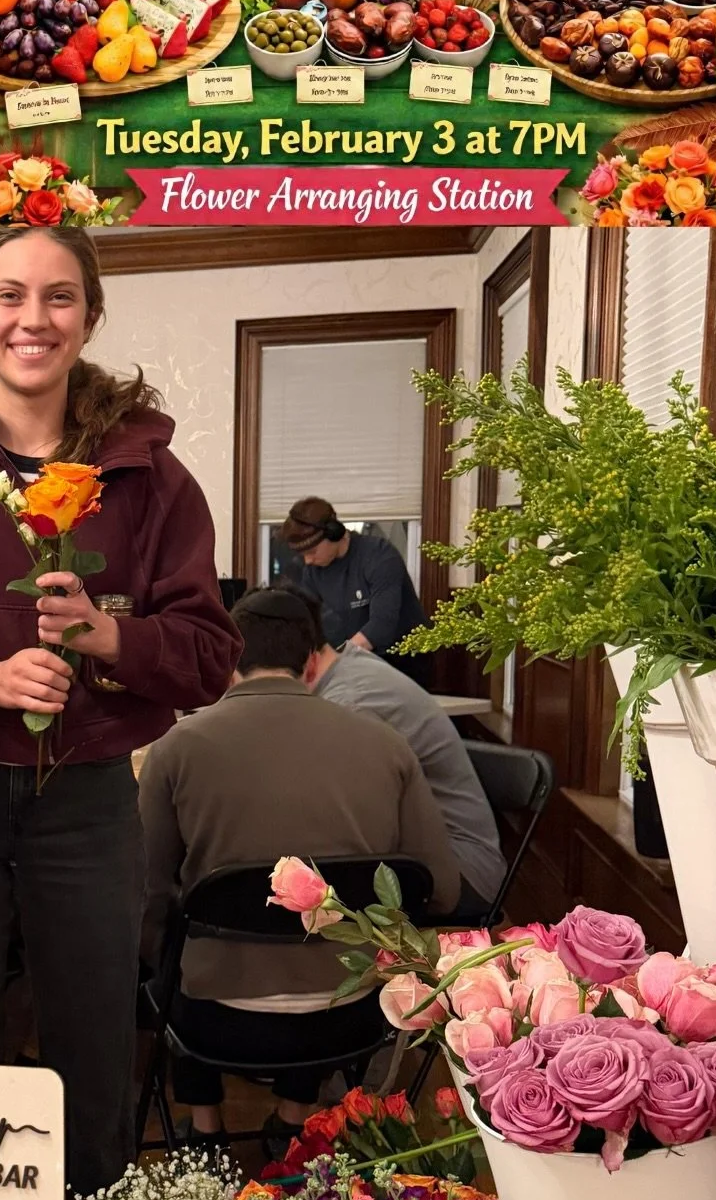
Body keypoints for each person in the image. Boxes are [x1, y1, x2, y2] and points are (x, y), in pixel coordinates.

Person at [0, 222, 239, 1200]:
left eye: (58, 297)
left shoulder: (155, 479)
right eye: (8, 295)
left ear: (90, 313)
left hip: (85, 803)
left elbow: (209, 657)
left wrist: (110, 638)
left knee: (90, 1031)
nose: (32, 318)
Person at [137, 586, 459, 1156]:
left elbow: (149, 897)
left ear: (228, 661)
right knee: (323, 936)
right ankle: (293, 1119)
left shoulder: (174, 749)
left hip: (214, 1016)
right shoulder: (386, 746)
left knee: (171, 945)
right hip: (350, 1018)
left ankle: (205, 1129)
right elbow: (442, 889)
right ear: (312, 662)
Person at [289, 585, 506, 920]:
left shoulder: (349, 704)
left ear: (306, 663)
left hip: (459, 872)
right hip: (428, 855)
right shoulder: (347, 667)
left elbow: (358, 827)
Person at [277, 495, 429, 685]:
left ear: (333, 534)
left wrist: (336, 662)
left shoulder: (379, 556)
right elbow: (310, 623)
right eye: (303, 554)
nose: (308, 561)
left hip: (404, 663)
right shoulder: (313, 572)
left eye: (312, 552)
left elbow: (381, 625)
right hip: (358, 663)